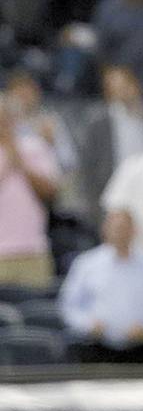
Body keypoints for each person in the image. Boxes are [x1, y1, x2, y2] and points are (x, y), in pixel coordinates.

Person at [58, 209, 143, 363]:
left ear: (135, 230)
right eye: (116, 228)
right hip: (96, 349)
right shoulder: (86, 264)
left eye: (124, 228)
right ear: (105, 230)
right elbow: (68, 305)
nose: (120, 233)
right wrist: (88, 324)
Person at [0, 97, 61, 291]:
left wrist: (20, 162)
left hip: (33, 249)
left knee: (39, 304)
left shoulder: (35, 147)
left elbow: (50, 192)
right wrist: (7, 161)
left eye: (5, 118)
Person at [79, 66, 143, 224]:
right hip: (114, 196)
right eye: (115, 88)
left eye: (125, 86)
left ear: (136, 86)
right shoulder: (99, 124)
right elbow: (88, 168)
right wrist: (94, 207)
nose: (121, 92)